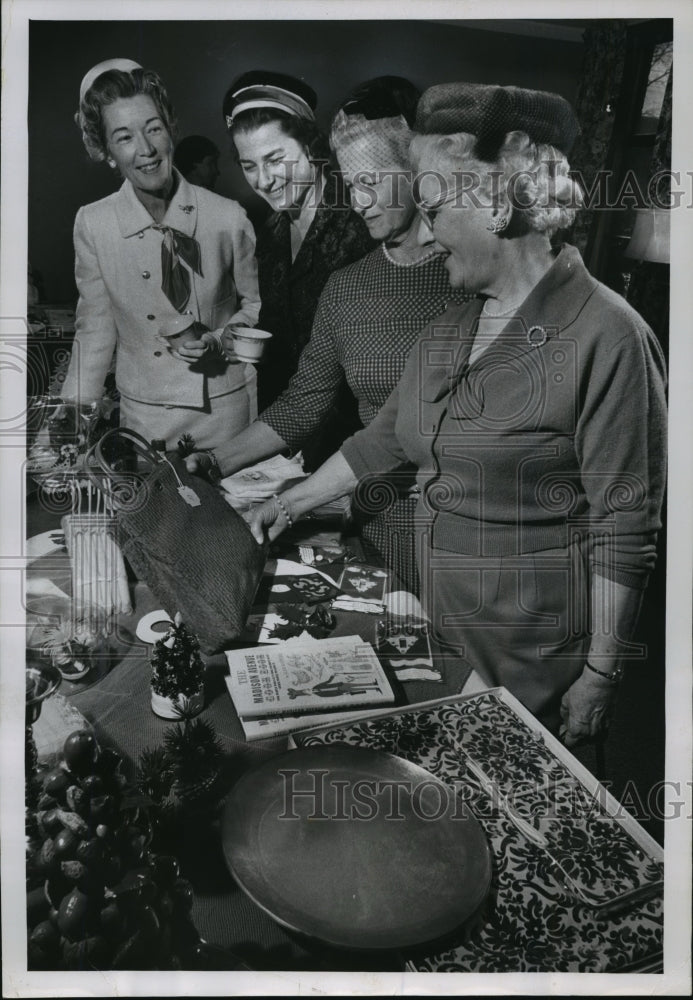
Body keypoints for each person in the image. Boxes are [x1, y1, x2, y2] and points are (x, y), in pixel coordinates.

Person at [245, 82, 668, 742]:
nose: (430, 234)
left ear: (496, 204)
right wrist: (292, 501)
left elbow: (625, 525)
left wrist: (600, 675)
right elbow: (384, 437)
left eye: (436, 209)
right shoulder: (450, 326)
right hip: (439, 634)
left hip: (534, 662)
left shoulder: (607, 335)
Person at [189, 76, 472, 593]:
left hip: (467, 532)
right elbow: (305, 402)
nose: (359, 201)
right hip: (374, 522)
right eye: (351, 183)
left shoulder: (469, 275)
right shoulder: (347, 286)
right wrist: (214, 461)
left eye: (371, 182)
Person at [61, 59, 260, 452]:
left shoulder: (228, 216)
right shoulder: (94, 224)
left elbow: (256, 308)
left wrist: (220, 340)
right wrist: (70, 417)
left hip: (226, 417)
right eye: (125, 137)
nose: (147, 149)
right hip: (144, 423)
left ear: (170, 128)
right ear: (106, 152)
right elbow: (95, 329)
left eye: (154, 128)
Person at [222, 70, 375, 415]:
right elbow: (286, 332)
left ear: (310, 145)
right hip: (283, 429)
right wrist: (243, 334)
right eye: (249, 166)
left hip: (352, 432)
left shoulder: (362, 217)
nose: (263, 180)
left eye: (275, 159)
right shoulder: (270, 233)